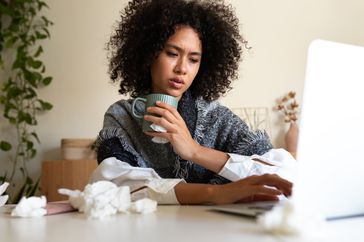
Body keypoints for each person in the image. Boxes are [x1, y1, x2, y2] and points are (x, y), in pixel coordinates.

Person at [91, 0, 295, 205]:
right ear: (149, 53)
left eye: (193, 59)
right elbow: (111, 183)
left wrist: (195, 151)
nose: (182, 68)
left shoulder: (215, 118)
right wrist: (214, 193)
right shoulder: (121, 117)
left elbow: (285, 175)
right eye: (172, 53)